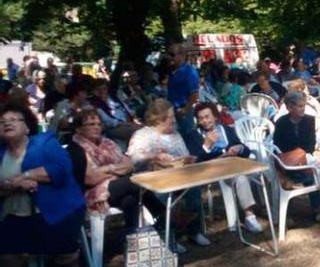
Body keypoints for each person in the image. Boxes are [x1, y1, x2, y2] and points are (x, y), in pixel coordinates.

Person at [0, 104, 88, 267]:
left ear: (27, 127)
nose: (7, 123)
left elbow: (60, 170)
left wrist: (26, 175)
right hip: (13, 211)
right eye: (2, 121)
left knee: (60, 233)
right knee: (5, 246)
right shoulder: (0, 153)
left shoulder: (44, 143)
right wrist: (12, 185)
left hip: (53, 207)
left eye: (14, 119)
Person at [127, 99, 209, 248]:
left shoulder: (175, 134)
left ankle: (194, 231)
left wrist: (186, 160)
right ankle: (169, 238)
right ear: (159, 118)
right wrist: (153, 156)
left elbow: (183, 155)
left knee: (193, 190)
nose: (174, 119)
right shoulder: (142, 135)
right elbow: (134, 159)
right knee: (162, 196)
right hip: (152, 181)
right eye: (171, 116)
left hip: (177, 176)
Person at [68, 109, 164, 232]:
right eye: (91, 124)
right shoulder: (76, 149)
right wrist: (115, 169)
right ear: (78, 129)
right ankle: (162, 214)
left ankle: (130, 237)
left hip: (118, 186)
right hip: (93, 193)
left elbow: (130, 164)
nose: (97, 127)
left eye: (98, 124)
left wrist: (106, 170)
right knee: (135, 181)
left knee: (130, 199)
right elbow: (91, 179)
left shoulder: (108, 143)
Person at [184, 103, 263, 233]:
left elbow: (246, 151)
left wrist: (239, 148)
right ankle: (249, 216)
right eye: (201, 118)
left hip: (230, 168)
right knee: (239, 176)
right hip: (208, 172)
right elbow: (195, 161)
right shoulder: (194, 135)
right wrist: (206, 146)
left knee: (241, 177)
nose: (205, 121)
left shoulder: (226, 130)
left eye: (207, 116)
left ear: (215, 117)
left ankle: (249, 216)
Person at [272, 92, 320, 222]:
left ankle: (317, 207)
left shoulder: (309, 121)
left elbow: (310, 145)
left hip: (304, 159)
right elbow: (278, 145)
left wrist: (300, 155)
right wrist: (292, 156)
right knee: (285, 177)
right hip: (286, 161)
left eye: (303, 106)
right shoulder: (281, 123)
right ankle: (288, 212)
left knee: (312, 173)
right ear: (290, 108)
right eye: (299, 106)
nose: (303, 109)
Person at [167, 43, 200, 135]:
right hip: (172, 110)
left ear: (182, 56)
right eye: (168, 54)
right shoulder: (173, 71)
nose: (169, 57)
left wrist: (184, 110)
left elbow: (194, 95)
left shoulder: (190, 71)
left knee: (188, 138)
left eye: (172, 54)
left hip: (184, 111)